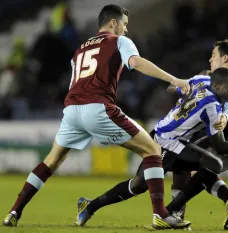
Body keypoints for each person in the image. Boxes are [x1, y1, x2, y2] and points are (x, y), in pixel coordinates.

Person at [3, 4, 191, 230]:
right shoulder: (118, 41)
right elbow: (136, 63)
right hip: (97, 108)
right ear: (113, 23)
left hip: (72, 110)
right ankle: (160, 213)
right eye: (125, 24)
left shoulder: (80, 48)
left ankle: (14, 211)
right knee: (153, 150)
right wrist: (174, 79)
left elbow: (76, 80)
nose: (126, 30)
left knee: (50, 162)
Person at [74, 68, 228, 230]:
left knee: (208, 164)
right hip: (164, 142)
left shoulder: (201, 80)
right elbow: (221, 146)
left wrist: (184, 93)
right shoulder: (212, 107)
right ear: (216, 86)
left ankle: (173, 211)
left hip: (173, 139)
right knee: (139, 185)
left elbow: (173, 87)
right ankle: (91, 206)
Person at [169, 39, 228, 230]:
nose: (210, 59)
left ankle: (174, 214)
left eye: (214, 55)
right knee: (202, 170)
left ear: (224, 58)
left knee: (180, 157)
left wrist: (224, 116)